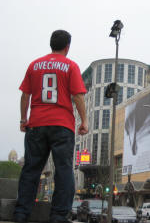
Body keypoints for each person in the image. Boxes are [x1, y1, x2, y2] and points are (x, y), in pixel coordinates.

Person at [14, 29, 88, 223]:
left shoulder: (34, 65)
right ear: (67, 46)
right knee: (63, 170)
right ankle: (58, 215)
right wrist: (84, 121)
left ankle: (21, 213)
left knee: (31, 169)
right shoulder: (70, 66)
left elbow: (25, 95)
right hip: (62, 125)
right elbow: (78, 96)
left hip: (36, 123)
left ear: (51, 44)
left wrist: (24, 119)